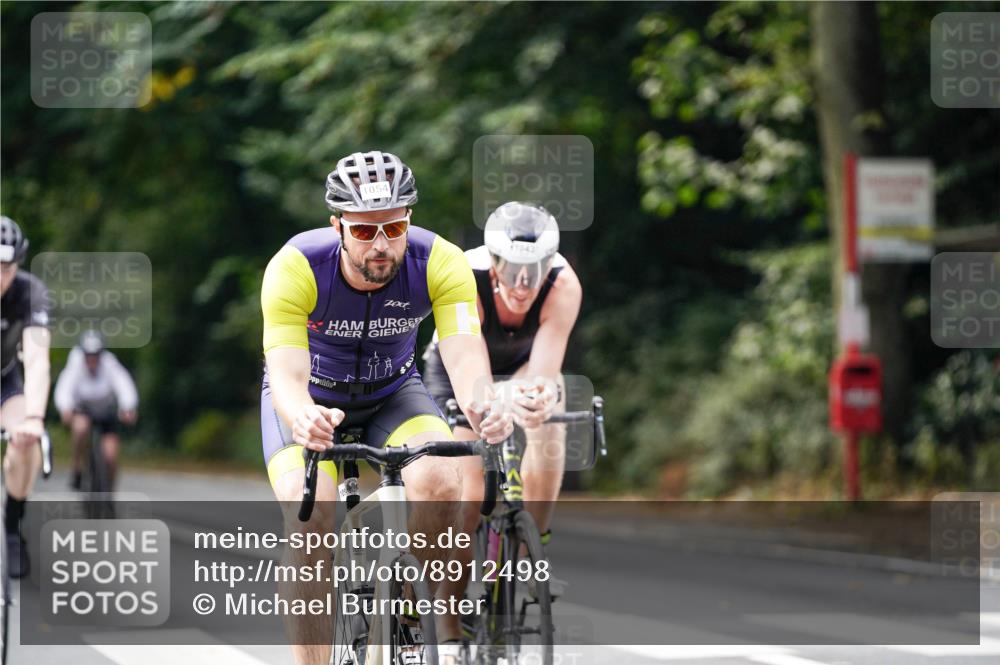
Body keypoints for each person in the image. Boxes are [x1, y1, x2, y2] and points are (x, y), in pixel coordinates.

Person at [260, 150, 514, 665]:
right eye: (364, 231)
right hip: (312, 402)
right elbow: (285, 375)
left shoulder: (440, 261)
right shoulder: (295, 266)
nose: (381, 244)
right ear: (337, 227)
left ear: (409, 221)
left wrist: (485, 405)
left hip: (393, 395)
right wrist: (303, 414)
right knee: (312, 520)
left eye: (393, 227)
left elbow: (465, 357)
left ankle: (409, 612)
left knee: (442, 479)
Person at [422, 201, 583, 644]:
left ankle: (535, 548)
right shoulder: (466, 278)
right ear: (493, 261)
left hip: (518, 368)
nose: (523, 282)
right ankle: (449, 622)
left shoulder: (563, 285)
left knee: (550, 413)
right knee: (470, 494)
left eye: (535, 267)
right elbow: (469, 365)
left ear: (551, 262)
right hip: (458, 370)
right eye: (512, 268)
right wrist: (493, 402)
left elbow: (544, 367)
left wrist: (534, 395)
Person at [0, 215, 52, 578]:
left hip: (6, 382)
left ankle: (13, 526)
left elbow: (36, 358)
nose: (0, 277)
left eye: (7, 268)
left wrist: (34, 416)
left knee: (26, 441)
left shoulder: (30, 291)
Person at [54, 329, 139, 491]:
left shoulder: (110, 364)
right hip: (83, 411)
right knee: (80, 428)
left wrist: (128, 407)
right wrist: (65, 408)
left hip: (105, 412)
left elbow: (124, 385)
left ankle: (109, 494)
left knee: (110, 456)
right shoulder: (75, 364)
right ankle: (77, 468)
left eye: (96, 355)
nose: (92, 359)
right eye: (88, 355)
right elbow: (64, 388)